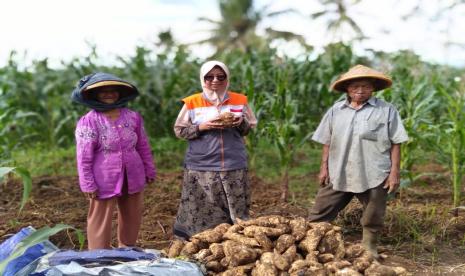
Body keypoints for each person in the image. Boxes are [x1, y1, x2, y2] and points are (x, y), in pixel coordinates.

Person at [309, 65, 409, 258]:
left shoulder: (387, 110)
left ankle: (369, 247)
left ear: (373, 88)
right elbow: (327, 141)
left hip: (374, 171)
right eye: (355, 87)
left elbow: (397, 142)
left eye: (365, 86)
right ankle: (312, 242)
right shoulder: (336, 111)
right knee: (320, 210)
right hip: (340, 169)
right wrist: (324, 167)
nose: (360, 91)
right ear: (347, 88)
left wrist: (394, 172)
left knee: (374, 212)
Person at [173, 60, 257, 239]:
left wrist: (240, 122)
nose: (215, 80)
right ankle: (200, 240)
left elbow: (249, 128)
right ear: (203, 79)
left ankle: (234, 240)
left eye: (220, 76)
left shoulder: (239, 100)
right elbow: (179, 130)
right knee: (203, 206)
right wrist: (201, 127)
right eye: (209, 77)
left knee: (235, 205)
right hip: (201, 164)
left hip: (233, 163)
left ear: (227, 78)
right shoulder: (192, 102)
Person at [72, 72, 156, 249]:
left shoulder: (133, 117)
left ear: (120, 93)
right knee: (100, 218)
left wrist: (149, 169)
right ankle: (98, 256)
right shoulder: (89, 121)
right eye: (103, 91)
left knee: (132, 215)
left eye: (113, 91)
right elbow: (83, 155)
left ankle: (127, 250)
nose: (109, 94)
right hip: (103, 178)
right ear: (94, 95)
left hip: (133, 173)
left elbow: (143, 146)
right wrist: (87, 183)